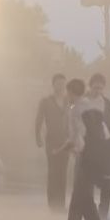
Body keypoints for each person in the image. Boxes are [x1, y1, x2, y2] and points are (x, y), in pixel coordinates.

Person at [57, 79, 108, 220]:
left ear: (71, 92)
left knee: (84, 194)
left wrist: (65, 149)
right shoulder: (91, 105)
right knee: (79, 192)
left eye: (68, 92)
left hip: (85, 155)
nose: (66, 95)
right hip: (96, 153)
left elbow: (78, 135)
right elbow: (104, 131)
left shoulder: (76, 109)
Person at [86, 73, 110, 220]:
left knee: (106, 183)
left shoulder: (108, 104)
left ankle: (103, 214)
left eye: (100, 88)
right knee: (87, 182)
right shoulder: (83, 103)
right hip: (88, 148)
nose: (98, 90)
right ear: (90, 86)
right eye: (95, 87)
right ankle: (90, 212)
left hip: (106, 148)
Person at [35, 74, 70, 211]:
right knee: (53, 171)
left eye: (63, 83)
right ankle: (52, 203)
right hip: (52, 140)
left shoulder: (69, 101)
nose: (61, 86)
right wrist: (38, 137)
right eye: (58, 83)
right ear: (53, 84)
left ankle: (61, 203)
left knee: (63, 172)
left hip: (66, 140)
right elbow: (39, 120)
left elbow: (75, 114)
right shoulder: (46, 101)